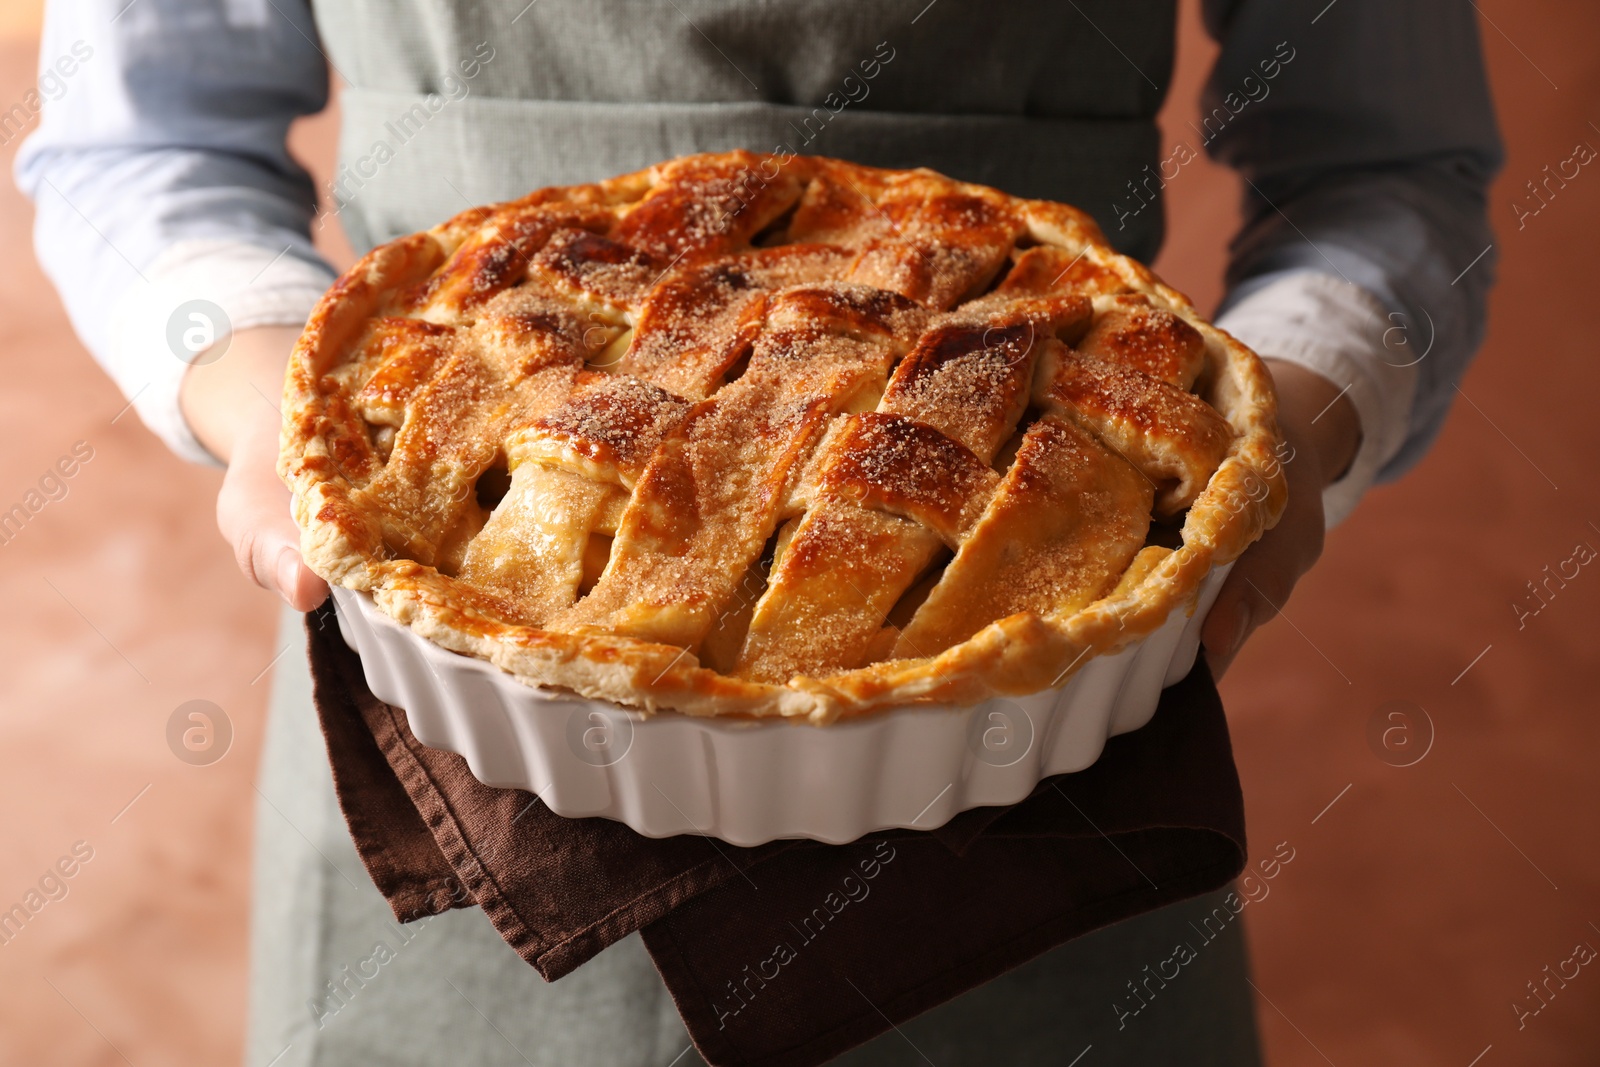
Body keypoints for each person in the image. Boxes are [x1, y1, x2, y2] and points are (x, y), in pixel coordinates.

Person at [16, 1, 1500, 1063]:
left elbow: (1387, 164)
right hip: (452, 675)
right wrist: (295, 411)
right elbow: (142, 142)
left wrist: (1285, 429)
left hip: (1043, 791)